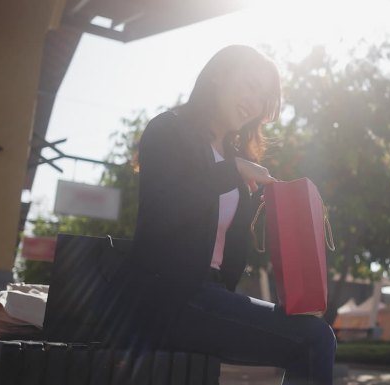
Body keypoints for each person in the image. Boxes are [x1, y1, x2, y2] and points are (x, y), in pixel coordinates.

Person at [104, 45, 336, 385]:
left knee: (311, 333)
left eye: (263, 96)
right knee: (314, 339)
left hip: (209, 298)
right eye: (250, 86)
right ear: (218, 75)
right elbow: (161, 212)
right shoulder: (169, 129)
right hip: (168, 299)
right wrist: (231, 172)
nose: (254, 102)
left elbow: (226, 250)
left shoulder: (233, 155)